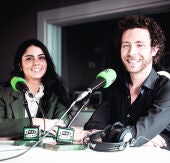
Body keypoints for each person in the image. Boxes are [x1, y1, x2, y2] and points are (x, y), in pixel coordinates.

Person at [84, 15, 170, 150]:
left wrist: (125, 135)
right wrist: (137, 137)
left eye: (140, 45)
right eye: (126, 45)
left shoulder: (166, 89)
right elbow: (92, 125)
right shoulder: (117, 86)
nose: (131, 52)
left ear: (154, 49)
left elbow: (134, 134)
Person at [0, 39, 70, 139]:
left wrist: (15, 132)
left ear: (47, 63)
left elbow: (62, 125)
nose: (36, 62)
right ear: (20, 65)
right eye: (29, 58)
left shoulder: (55, 93)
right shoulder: (3, 92)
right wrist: (37, 122)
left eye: (41, 58)